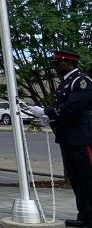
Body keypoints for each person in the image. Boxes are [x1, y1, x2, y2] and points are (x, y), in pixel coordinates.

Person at [43, 50, 92, 228]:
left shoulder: (82, 81)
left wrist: (47, 111)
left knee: (88, 178)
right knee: (77, 179)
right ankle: (85, 217)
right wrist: (49, 117)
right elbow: (62, 108)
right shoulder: (66, 83)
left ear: (69, 63)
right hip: (69, 137)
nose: (56, 67)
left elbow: (74, 106)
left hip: (82, 136)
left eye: (58, 63)